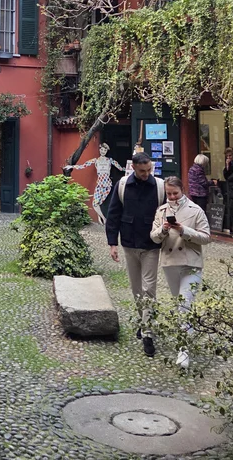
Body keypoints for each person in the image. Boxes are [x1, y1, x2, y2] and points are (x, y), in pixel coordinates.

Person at [105, 152, 165, 357]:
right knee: (136, 289)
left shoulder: (159, 187)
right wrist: (112, 243)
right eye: (142, 171)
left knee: (149, 289)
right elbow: (113, 214)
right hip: (129, 243)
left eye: (149, 170)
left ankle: (147, 333)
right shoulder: (123, 186)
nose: (146, 174)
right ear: (134, 169)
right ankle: (144, 320)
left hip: (151, 244)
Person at [150, 176, 211, 369]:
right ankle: (186, 337)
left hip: (191, 263)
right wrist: (163, 230)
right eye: (168, 194)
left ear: (182, 190)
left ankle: (183, 350)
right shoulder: (161, 211)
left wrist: (184, 230)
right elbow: (153, 237)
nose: (172, 197)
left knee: (185, 305)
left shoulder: (195, 210)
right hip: (170, 263)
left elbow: (206, 237)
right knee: (180, 305)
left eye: (175, 193)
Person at [65, 143, 125, 224]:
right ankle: (103, 219)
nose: (103, 151)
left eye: (105, 150)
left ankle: (103, 219)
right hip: (100, 183)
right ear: (99, 150)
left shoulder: (109, 160)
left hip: (107, 184)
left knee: (97, 203)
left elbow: (120, 168)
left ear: (106, 151)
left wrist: (129, 169)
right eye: (102, 149)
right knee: (96, 203)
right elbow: (83, 165)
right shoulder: (96, 160)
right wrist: (72, 166)